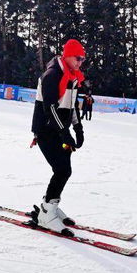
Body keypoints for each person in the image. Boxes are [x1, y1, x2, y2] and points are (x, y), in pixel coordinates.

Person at [29, 39, 86, 236]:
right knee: (62, 170)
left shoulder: (73, 76)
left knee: (63, 169)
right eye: (77, 58)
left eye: (83, 59)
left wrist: (78, 129)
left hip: (60, 129)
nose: (80, 62)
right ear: (68, 56)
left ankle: (49, 205)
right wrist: (65, 133)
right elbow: (49, 108)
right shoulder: (52, 75)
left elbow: (71, 106)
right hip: (46, 130)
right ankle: (47, 213)